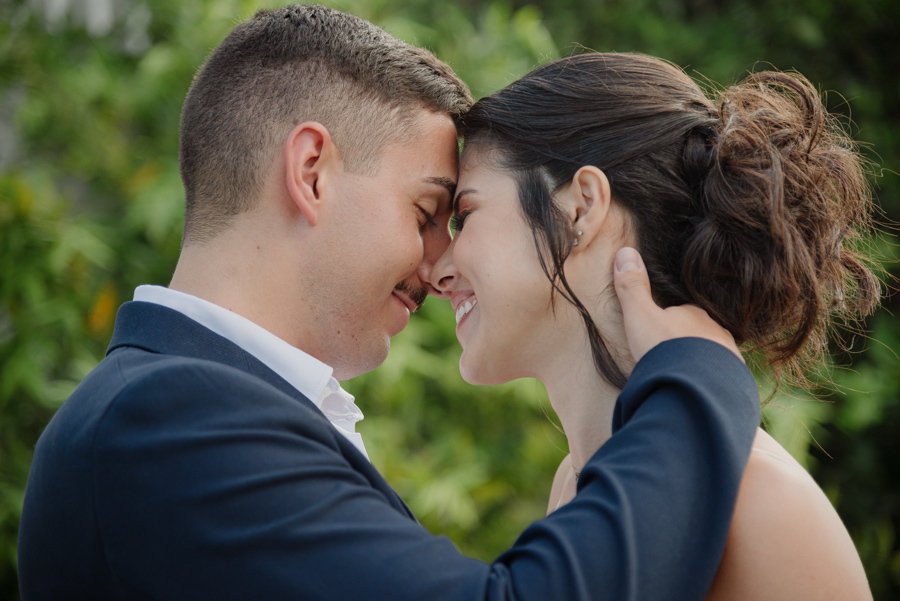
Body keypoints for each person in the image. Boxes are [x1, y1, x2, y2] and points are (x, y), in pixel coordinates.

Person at [17, 6, 761, 600]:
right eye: (428, 211)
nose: (442, 263)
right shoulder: (165, 419)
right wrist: (697, 377)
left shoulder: (199, 409)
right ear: (311, 172)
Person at [430, 52, 878, 600]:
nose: (438, 270)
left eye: (465, 214)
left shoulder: (761, 502)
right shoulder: (573, 483)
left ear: (580, 208)